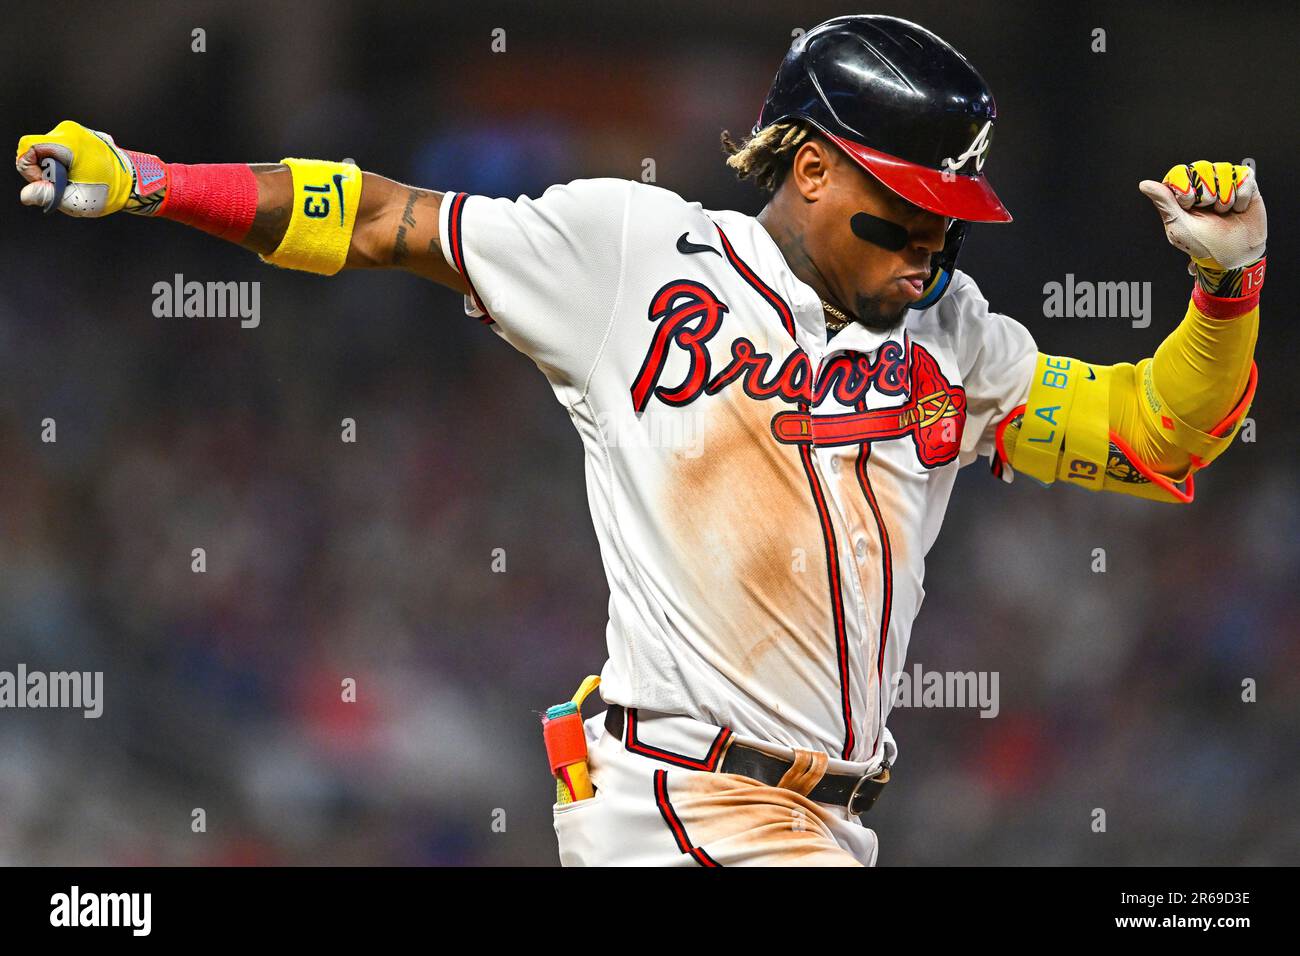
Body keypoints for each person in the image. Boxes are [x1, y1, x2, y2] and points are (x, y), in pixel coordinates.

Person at [15, 15, 1264, 866]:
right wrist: (150, 180)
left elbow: (1159, 435)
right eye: (902, 215)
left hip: (817, 820)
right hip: (678, 800)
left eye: (950, 222)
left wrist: (1228, 287)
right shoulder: (630, 250)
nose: (929, 248)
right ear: (815, 169)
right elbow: (386, 219)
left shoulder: (954, 335)